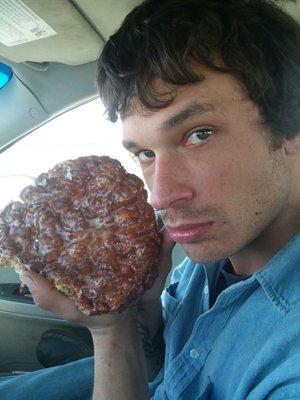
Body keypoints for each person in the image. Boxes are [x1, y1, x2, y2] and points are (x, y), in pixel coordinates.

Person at [1, 0, 300, 399]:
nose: (159, 197)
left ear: (291, 127)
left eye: (199, 134)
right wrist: (120, 319)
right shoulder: (210, 249)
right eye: (145, 153)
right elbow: (164, 366)